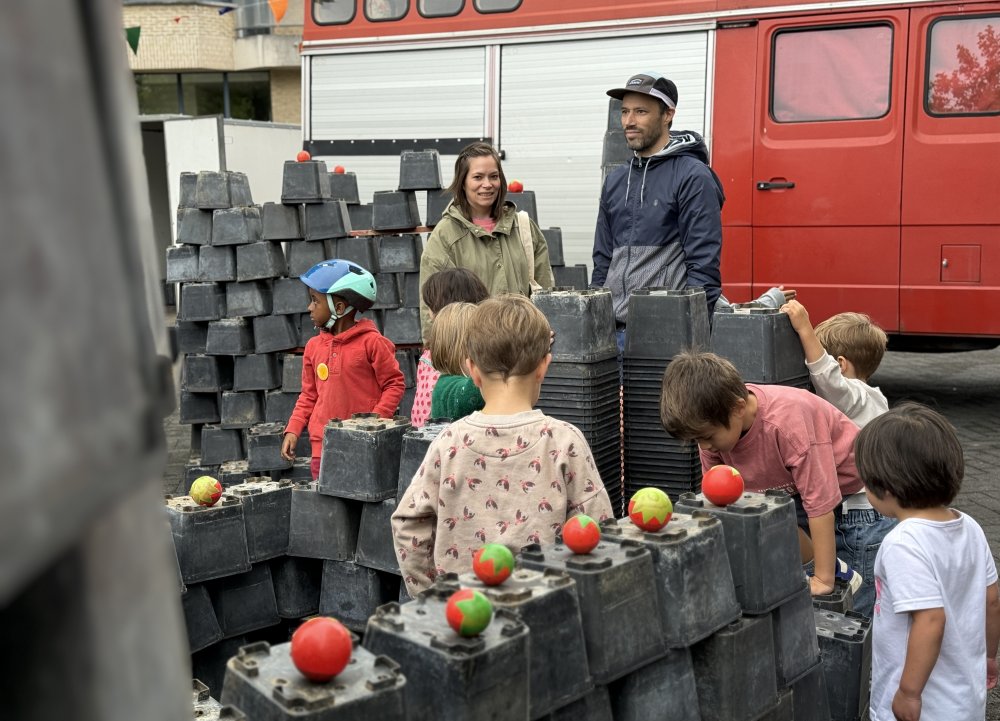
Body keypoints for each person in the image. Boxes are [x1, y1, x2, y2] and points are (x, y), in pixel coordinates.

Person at [392, 295, 615, 594]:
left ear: (471, 369)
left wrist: (430, 595)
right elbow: (599, 527)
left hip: (465, 616)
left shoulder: (448, 443)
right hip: (549, 609)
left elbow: (408, 523)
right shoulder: (564, 441)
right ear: (544, 366)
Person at [659, 351, 891, 614]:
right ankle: (831, 566)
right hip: (791, 489)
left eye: (707, 437)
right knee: (774, 526)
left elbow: (820, 503)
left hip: (852, 491)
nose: (703, 446)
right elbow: (717, 501)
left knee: (850, 603)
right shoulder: (713, 428)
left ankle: (834, 571)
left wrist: (823, 580)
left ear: (737, 408)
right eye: (696, 440)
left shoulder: (787, 424)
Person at [856, 403, 1000, 721]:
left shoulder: (903, 543)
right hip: (964, 699)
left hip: (921, 706)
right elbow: (991, 600)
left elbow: (931, 619)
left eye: (865, 481)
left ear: (887, 488)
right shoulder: (970, 526)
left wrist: (909, 693)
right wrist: (990, 656)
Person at [593, 72, 724, 352]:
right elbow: (603, 260)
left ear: (668, 114)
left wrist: (691, 335)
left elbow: (703, 267)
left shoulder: (693, 177)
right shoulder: (616, 181)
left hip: (666, 339)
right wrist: (593, 320)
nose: (629, 121)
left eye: (641, 112)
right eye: (625, 111)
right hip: (612, 336)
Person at [280, 260, 406, 479]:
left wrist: (375, 420)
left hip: (364, 447)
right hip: (322, 448)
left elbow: (394, 384)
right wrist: (293, 429)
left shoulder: (373, 343)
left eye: (315, 301)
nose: (309, 308)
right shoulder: (313, 347)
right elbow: (309, 395)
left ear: (338, 308)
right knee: (329, 510)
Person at [419, 141, 554, 343]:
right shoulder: (445, 235)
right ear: (462, 182)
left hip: (524, 350)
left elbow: (546, 292)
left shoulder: (524, 227)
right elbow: (431, 305)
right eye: (477, 177)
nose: (487, 184)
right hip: (472, 355)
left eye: (494, 176)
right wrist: (437, 351)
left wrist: (545, 330)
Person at [781, 301, 889, 427]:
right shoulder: (878, 399)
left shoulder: (854, 398)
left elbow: (825, 374)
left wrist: (804, 327)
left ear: (840, 364)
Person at [412, 268, 490, 428]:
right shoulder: (454, 383)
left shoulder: (435, 352)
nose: (429, 314)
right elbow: (484, 389)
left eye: (431, 307)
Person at [427, 302, 484, 421]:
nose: (484, 354)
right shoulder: (446, 387)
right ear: (449, 351)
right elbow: (471, 394)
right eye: (476, 348)